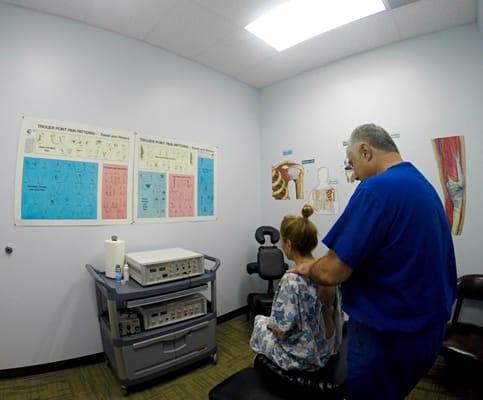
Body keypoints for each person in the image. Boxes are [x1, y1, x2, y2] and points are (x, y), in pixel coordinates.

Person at [290, 123, 457, 399]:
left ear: (365, 151)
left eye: (351, 163)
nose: (353, 174)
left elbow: (331, 272)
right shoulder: (424, 187)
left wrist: (310, 268)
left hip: (387, 338)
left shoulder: (376, 189)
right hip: (427, 334)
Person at [250, 205, 343, 371]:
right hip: (326, 349)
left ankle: (262, 374)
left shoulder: (291, 280)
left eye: (282, 242)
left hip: (306, 358)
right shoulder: (327, 272)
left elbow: (281, 332)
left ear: (288, 244)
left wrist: (270, 325)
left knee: (259, 323)